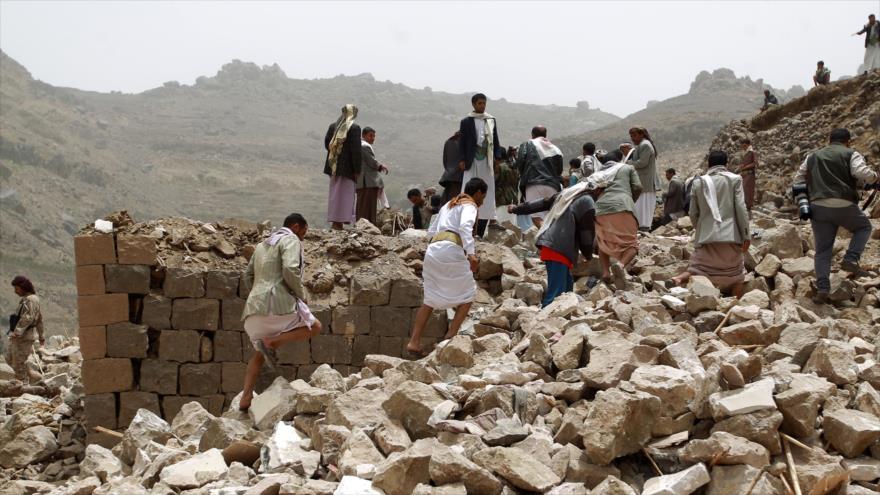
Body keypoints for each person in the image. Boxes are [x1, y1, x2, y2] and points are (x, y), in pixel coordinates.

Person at [239, 214, 321, 410]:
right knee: (315, 327)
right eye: (303, 232)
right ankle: (274, 341)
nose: (303, 237)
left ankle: (246, 396)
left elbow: (247, 275)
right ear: (295, 227)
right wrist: (300, 295)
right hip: (278, 306)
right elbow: (290, 269)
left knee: (259, 353)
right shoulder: (290, 239)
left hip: (253, 313)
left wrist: (258, 295)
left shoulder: (262, 245)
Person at [794, 128, 879, 304]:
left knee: (823, 251)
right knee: (864, 227)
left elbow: (798, 178)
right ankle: (851, 259)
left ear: (829, 139)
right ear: (848, 141)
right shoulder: (851, 153)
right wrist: (874, 177)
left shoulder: (813, 156)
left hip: (818, 207)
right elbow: (862, 174)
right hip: (844, 204)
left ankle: (823, 290)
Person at [407, 178, 487, 355]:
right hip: (451, 249)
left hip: (434, 249)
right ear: (479, 193)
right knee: (468, 294)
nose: (483, 201)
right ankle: (449, 337)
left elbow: (431, 230)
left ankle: (414, 341)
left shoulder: (448, 205)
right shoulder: (469, 205)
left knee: (430, 298)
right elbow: (466, 226)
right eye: (483, 196)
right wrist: (471, 254)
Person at [670, 151, 750, 297]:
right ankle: (735, 300)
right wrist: (746, 234)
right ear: (726, 164)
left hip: (706, 237)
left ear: (709, 164)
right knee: (737, 273)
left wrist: (700, 229)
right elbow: (741, 208)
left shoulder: (699, 181)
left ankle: (679, 278)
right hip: (731, 236)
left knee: (699, 267)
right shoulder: (735, 179)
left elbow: (693, 212)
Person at [508, 183, 596, 307]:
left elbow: (542, 203)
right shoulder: (588, 202)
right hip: (560, 249)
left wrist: (517, 209)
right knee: (554, 298)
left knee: (566, 296)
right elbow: (587, 234)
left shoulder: (569, 194)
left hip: (552, 245)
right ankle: (543, 321)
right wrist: (589, 255)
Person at [592, 150, 642, 287]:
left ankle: (605, 273)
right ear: (619, 160)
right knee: (632, 243)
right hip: (623, 205)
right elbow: (638, 186)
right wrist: (630, 199)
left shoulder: (598, 173)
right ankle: (620, 265)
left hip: (601, 208)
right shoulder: (627, 168)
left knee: (603, 241)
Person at [459, 94, 503, 237]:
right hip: (472, 160)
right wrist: (462, 159)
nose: (482, 106)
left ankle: (482, 227)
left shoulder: (490, 120)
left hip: (486, 160)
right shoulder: (466, 121)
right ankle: (466, 220)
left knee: (487, 190)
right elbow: (463, 142)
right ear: (473, 104)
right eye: (479, 103)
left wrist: (497, 160)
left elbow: (496, 141)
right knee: (469, 188)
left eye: (484, 103)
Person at [515, 125, 564, 228]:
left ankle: (545, 238)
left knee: (536, 216)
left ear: (532, 134)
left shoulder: (527, 144)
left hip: (533, 183)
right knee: (550, 216)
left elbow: (521, 162)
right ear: (545, 135)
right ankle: (551, 239)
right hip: (553, 186)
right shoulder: (556, 149)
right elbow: (559, 171)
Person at [324, 105, 362, 230]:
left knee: (335, 194)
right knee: (346, 195)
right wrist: (357, 169)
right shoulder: (354, 128)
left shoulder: (333, 126)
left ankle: (336, 222)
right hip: (348, 169)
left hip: (333, 166)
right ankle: (340, 222)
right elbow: (356, 150)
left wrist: (336, 156)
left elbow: (327, 144)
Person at [6, 276, 44, 383]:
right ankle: (32, 376)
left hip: (23, 337)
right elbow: (40, 319)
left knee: (18, 364)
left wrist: (17, 331)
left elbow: (28, 317)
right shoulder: (28, 300)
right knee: (9, 358)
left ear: (23, 287)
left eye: (17, 289)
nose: (15, 291)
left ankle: (22, 386)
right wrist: (41, 335)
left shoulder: (30, 300)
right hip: (19, 337)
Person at [626, 127, 660, 232]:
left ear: (642, 135)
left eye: (634, 136)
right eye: (631, 136)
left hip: (645, 182)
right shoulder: (642, 145)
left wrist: (628, 163)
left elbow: (642, 163)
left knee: (643, 206)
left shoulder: (645, 145)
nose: (632, 138)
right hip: (643, 182)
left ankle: (643, 228)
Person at [356, 127, 389, 226]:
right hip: (368, 180)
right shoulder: (364, 146)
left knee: (364, 205)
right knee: (368, 205)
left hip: (364, 181)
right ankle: (367, 226)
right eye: (370, 135)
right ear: (363, 135)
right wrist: (381, 166)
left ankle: (364, 225)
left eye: (374, 136)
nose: (373, 138)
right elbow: (371, 162)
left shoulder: (360, 145)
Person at [494, 147, 521, 224]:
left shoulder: (500, 167)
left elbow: (495, 182)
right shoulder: (516, 168)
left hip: (501, 200)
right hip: (513, 200)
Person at [441, 131, 464, 202]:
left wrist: (449, 170)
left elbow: (445, 161)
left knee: (449, 200)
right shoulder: (465, 143)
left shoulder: (448, 142)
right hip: (459, 177)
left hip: (448, 176)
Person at [738, 138, 758, 211]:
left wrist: (746, 166)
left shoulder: (752, 152)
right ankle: (745, 204)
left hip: (750, 173)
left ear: (747, 144)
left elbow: (755, 163)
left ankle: (748, 205)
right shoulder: (746, 152)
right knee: (744, 189)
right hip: (744, 174)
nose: (743, 147)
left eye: (744, 145)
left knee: (748, 189)